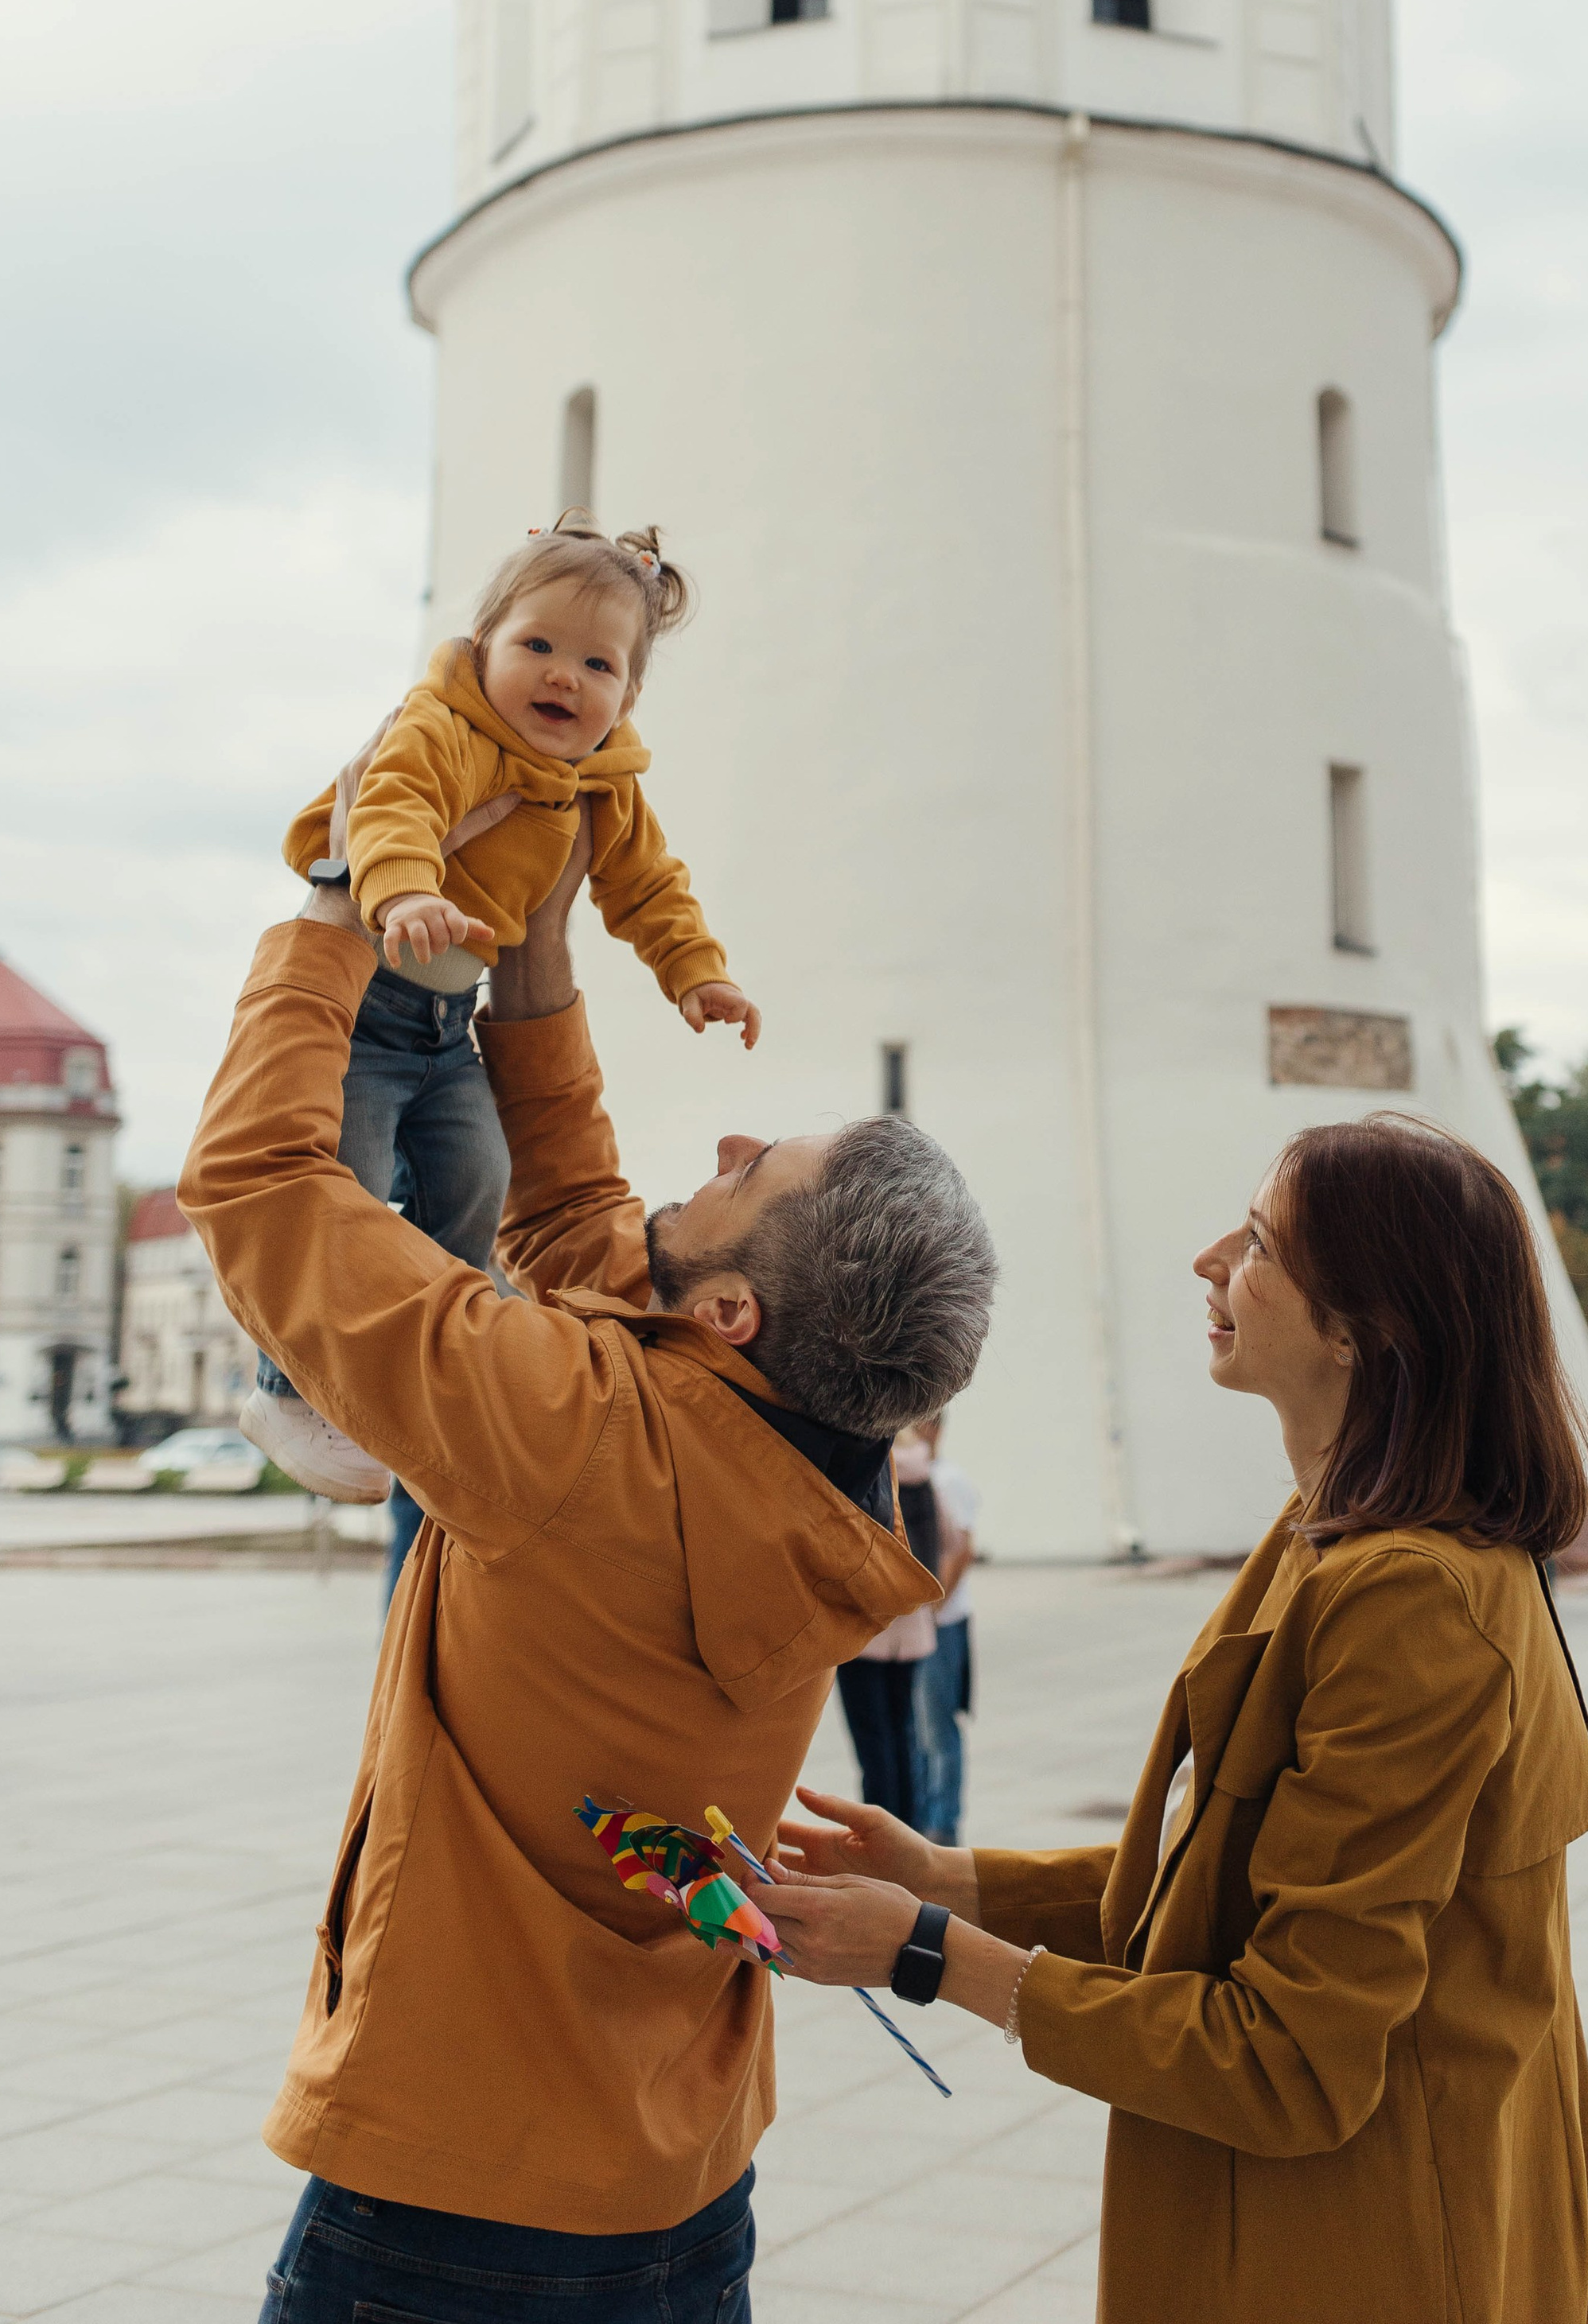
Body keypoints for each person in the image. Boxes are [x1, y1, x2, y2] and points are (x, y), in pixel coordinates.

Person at [177, 783, 994, 2322]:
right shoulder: (817, 1485)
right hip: (677, 2192)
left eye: (758, 1172)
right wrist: (541, 962)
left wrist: (343, 900)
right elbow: (587, 1231)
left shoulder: (570, 1435)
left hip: (442, 2200)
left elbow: (262, 1192)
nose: (733, 1137)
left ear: (731, 1313)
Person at [765, 1115, 1588, 2324]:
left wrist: (924, 1953)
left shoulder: (1412, 1596)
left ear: (1363, 1326)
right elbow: (1237, 1875)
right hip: (1330, 2225)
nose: (1211, 1258)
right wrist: (949, 1879)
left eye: (1263, 1240)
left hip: (1366, 2253)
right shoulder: (1339, 1529)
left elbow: (1291, 2058)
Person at [240, 511, 759, 1520]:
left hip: (453, 1029)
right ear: (483, 649)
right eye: (537, 647)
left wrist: (696, 973)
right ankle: (282, 1387)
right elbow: (389, 806)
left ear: (629, 694)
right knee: (331, 1177)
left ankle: (398, 1364)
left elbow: (651, 887)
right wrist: (400, 895)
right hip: (372, 1003)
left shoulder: (603, 787)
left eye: (597, 663)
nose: (564, 676)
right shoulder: (444, 729)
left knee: (477, 1183)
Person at [835, 1432, 940, 1826]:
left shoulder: (869, 1468)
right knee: (904, 1735)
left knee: (871, 1741)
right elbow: (946, 1540)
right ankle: (908, 1830)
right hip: (914, 1631)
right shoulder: (926, 1472)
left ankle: (878, 1833)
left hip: (865, 1631)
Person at [912, 1413, 979, 1845]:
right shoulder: (917, 1475)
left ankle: (943, 1830)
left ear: (934, 1427)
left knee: (938, 1731)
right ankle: (924, 1823)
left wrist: (933, 1611)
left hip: (943, 1626)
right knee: (920, 1731)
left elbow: (962, 1551)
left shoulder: (947, 1480)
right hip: (927, 1627)